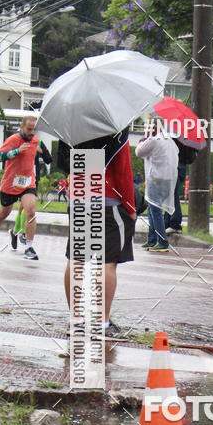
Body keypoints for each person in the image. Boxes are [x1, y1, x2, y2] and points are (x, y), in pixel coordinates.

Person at [63, 129, 136, 333]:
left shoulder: (74, 127)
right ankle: (101, 322)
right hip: (107, 200)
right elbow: (123, 173)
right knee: (107, 262)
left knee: (76, 259)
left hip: (80, 196)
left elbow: (67, 163)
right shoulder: (116, 128)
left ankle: (75, 318)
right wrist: (131, 208)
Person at [0, 115, 41, 260]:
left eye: (34, 130)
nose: (32, 133)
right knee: (3, 214)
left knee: (31, 210)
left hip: (28, 183)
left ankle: (29, 247)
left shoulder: (35, 140)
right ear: (22, 127)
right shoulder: (13, 140)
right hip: (10, 184)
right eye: (29, 129)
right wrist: (16, 151)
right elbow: (0, 156)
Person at [136, 127, 179, 253]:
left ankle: (162, 242)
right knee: (152, 209)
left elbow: (139, 152)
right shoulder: (170, 141)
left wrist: (143, 139)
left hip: (155, 180)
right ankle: (152, 239)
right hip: (167, 180)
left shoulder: (153, 140)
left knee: (155, 210)